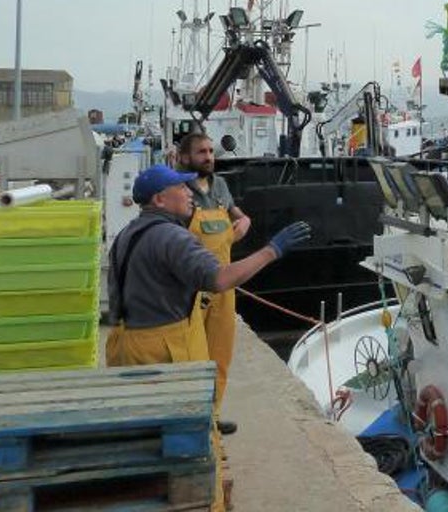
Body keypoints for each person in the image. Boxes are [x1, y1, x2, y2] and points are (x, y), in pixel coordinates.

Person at [106, 164, 311, 512]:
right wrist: (272, 250)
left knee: (148, 439)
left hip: (127, 342)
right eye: (180, 190)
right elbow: (219, 278)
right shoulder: (171, 237)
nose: (189, 194)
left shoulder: (128, 233)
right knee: (195, 441)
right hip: (164, 349)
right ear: (160, 198)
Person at [176, 132, 252, 435]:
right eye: (201, 152)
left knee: (220, 352)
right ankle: (189, 415)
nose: (208, 157)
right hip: (192, 288)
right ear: (184, 158)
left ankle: (213, 413)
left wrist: (245, 220)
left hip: (224, 285)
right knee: (191, 354)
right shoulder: (179, 191)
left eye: (210, 151)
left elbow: (238, 215)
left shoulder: (220, 185)